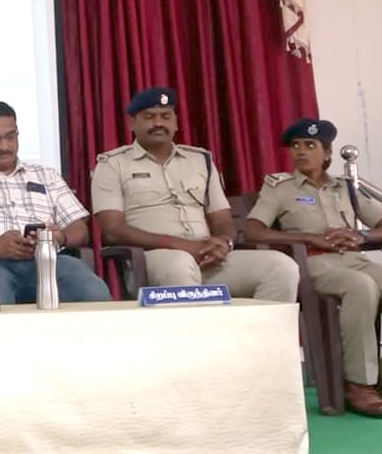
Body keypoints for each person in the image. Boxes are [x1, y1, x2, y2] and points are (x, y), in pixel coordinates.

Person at [90, 87, 298, 301]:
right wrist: (180, 245)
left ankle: (260, 326)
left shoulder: (200, 160)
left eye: (166, 116)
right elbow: (113, 230)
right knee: (180, 263)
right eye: (149, 117)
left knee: (281, 267)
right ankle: (197, 326)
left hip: (207, 257)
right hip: (152, 259)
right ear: (132, 123)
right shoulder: (112, 164)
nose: (158, 123)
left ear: (176, 123)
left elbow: (222, 219)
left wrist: (223, 242)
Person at [244, 118, 382, 416]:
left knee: (370, 279)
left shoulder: (345, 187)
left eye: (310, 145)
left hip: (352, 258)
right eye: (296, 146)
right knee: (361, 287)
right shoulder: (279, 187)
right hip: (313, 263)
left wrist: (362, 236)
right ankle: (359, 384)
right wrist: (307, 237)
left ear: (327, 152)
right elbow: (253, 231)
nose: (301, 151)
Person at [0, 100, 111, 304]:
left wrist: (60, 237)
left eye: (10, 136)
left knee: (94, 293)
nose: (4, 147)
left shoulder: (46, 175)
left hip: (48, 260)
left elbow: (79, 228)